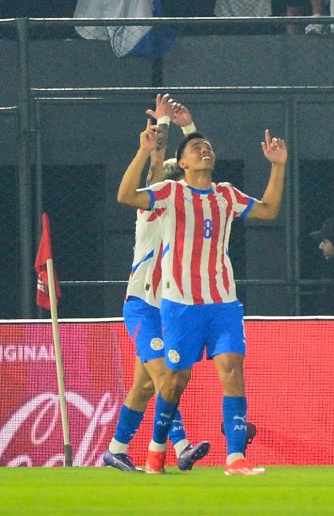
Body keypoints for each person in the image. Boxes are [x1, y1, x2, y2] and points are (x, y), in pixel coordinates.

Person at [116, 122, 287, 476]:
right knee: (173, 382)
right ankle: (156, 450)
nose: (204, 149)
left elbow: (269, 210)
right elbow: (126, 196)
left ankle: (236, 458)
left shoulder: (226, 194)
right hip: (179, 305)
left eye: (207, 146)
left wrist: (278, 165)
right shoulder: (169, 193)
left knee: (233, 370)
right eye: (196, 148)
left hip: (223, 301)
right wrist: (144, 150)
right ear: (183, 164)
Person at [103, 94, 211, 474]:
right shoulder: (151, 207)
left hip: (168, 306)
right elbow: (155, 168)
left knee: (145, 387)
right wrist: (162, 129)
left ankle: (116, 450)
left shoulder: (185, 208)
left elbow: (199, 173)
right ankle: (180, 445)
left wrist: (189, 129)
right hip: (141, 305)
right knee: (166, 376)